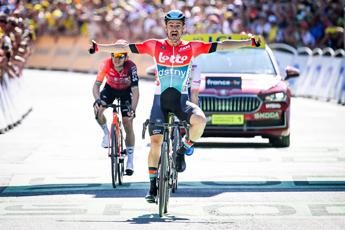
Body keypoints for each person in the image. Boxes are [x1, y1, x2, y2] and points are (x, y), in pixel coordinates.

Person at [89, 10, 260, 202]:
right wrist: (99, 48)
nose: (174, 30)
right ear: (166, 27)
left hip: (181, 101)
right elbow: (125, 47)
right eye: (171, 26)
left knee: (201, 121)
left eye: (178, 26)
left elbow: (221, 46)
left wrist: (248, 42)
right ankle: (153, 187)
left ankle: (181, 151)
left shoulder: (192, 47)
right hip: (160, 101)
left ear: (183, 28)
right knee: (155, 143)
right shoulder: (154, 46)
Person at [92, 39, 139, 176]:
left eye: (120, 56)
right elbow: (96, 86)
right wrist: (98, 100)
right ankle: (106, 134)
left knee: (127, 122)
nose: (116, 59)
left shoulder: (131, 67)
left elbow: (135, 91)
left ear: (126, 57)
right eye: (114, 55)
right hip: (110, 89)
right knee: (98, 110)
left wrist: (133, 109)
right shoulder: (106, 64)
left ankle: (130, 160)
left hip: (126, 92)